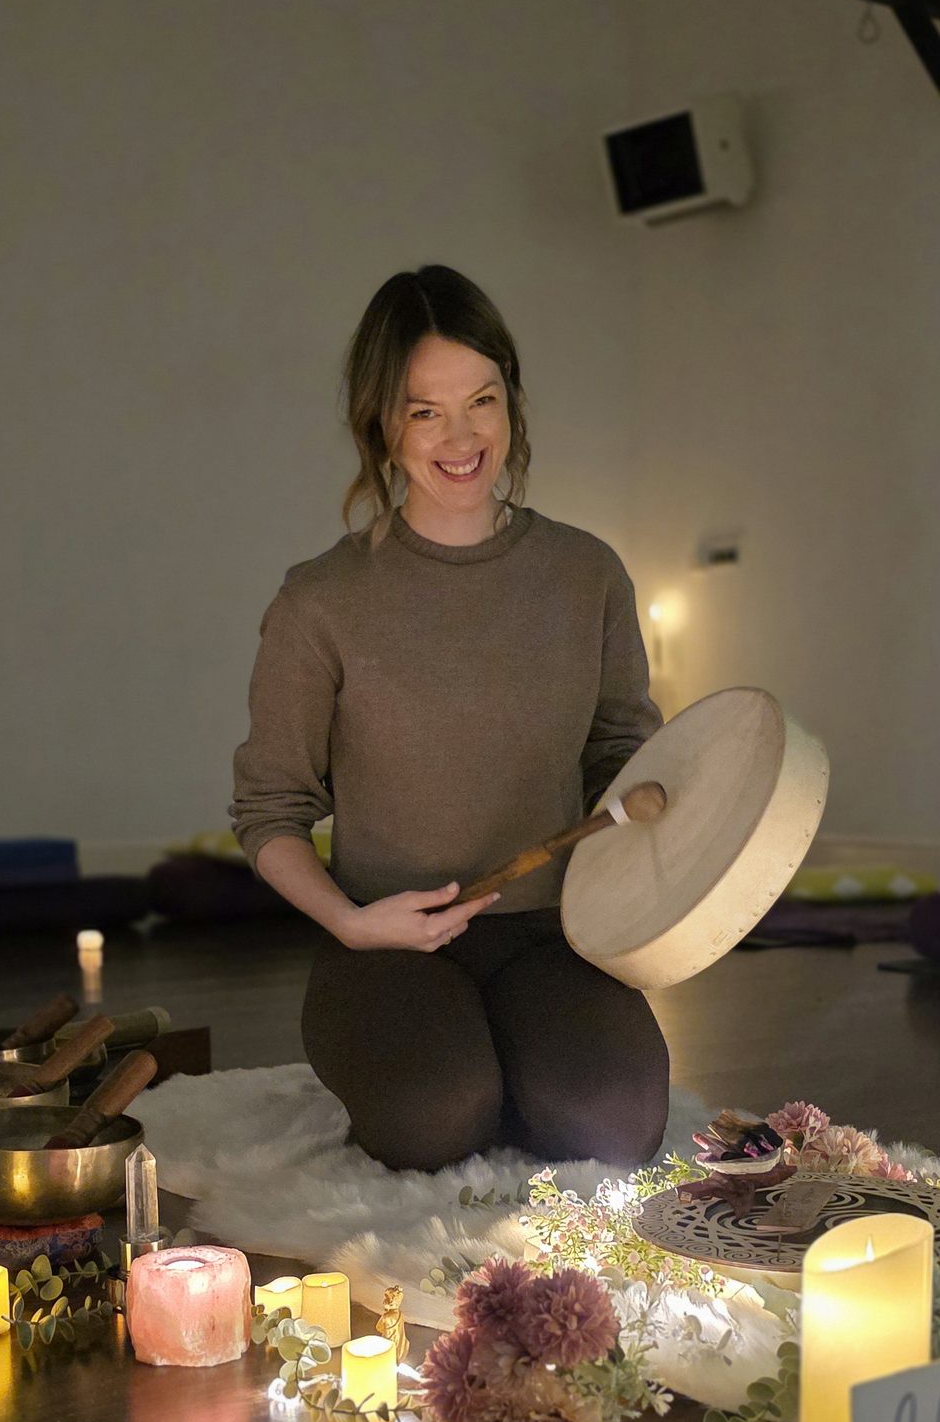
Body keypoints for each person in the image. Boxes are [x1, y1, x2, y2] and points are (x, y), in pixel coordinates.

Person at [231, 264, 670, 1173]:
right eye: (425, 411)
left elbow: (622, 756)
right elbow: (270, 811)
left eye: (482, 401)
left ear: (511, 400)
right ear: (381, 426)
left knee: (615, 1121)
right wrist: (352, 924)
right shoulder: (321, 601)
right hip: (384, 939)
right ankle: (462, 1064)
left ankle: (515, 1057)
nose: (462, 438)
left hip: (552, 935)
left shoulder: (587, 574)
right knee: (435, 1115)